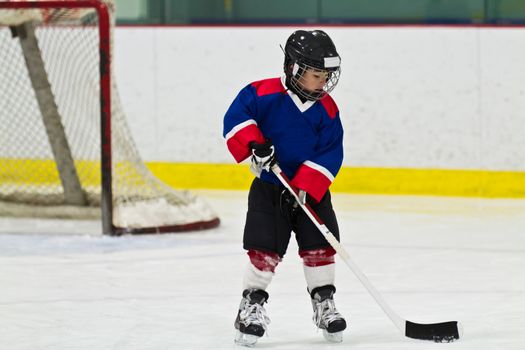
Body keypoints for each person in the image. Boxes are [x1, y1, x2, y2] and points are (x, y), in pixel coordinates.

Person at [223, 29, 346, 346]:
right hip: (269, 188)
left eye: (326, 75)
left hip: (310, 192)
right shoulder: (261, 94)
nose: (323, 82)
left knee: (320, 245)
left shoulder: (327, 109)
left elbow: (331, 150)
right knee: (264, 248)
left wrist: (307, 184)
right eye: (316, 74)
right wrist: (255, 144)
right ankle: (250, 306)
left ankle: (324, 303)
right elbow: (236, 117)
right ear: (294, 69)